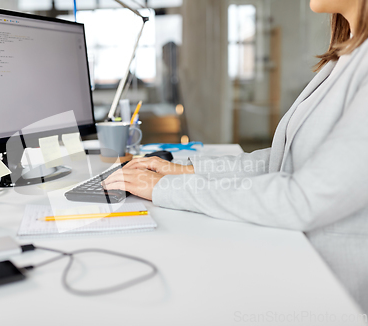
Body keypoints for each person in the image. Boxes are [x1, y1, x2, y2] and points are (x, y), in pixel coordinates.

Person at [103, 0, 368, 313]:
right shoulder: (347, 54)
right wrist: (183, 171)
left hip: (336, 293)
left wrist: (165, 189)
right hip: (302, 261)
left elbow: (305, 198)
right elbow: (287, 158)